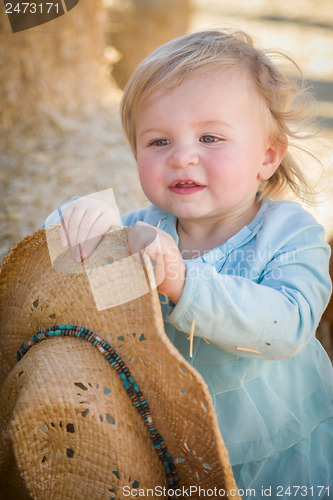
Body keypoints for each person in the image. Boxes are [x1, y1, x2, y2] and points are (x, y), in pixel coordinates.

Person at [49, 31, 333, 497]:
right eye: (158, 141)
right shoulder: (139, 230)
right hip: (163, 445)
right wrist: (76, 223)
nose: (181, 156)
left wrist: (182, 279)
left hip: (276, 456)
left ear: (267, 155)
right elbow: (62, 294)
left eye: (210, 137)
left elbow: (289, 324)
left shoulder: (290, 233)